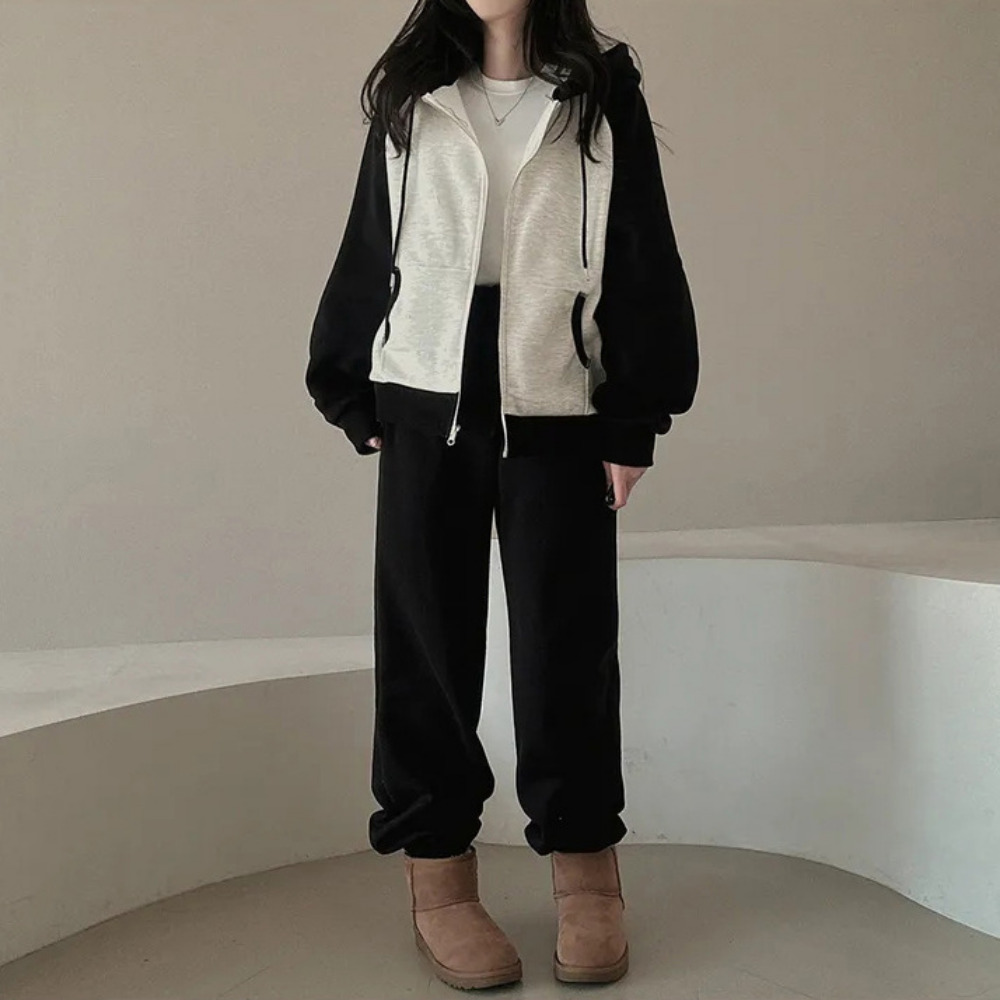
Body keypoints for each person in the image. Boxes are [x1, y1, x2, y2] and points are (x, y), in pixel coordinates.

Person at [305, 0, 698, 989]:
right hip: (423, 396)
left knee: (568, 639)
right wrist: (348, 382)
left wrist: (633, 415)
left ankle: (586, 867)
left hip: (555, 395)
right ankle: (438, 874)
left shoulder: (599, 93)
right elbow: (373, 239)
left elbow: (639, 247)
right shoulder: (412, 94)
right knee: (426, 638)